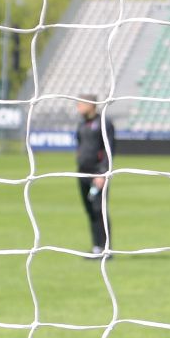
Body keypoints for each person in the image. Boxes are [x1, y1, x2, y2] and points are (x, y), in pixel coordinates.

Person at [75, 96, 115, 259]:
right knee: (90, 210)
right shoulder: (81, 124)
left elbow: (109, 149)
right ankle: (96, 247)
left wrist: (103, 172)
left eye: (80, 104)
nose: (78, 107)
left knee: (99, 210)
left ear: (91, 105)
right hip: (82, 172)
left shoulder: (104, 123)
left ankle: (106, 249)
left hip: (97, 173)